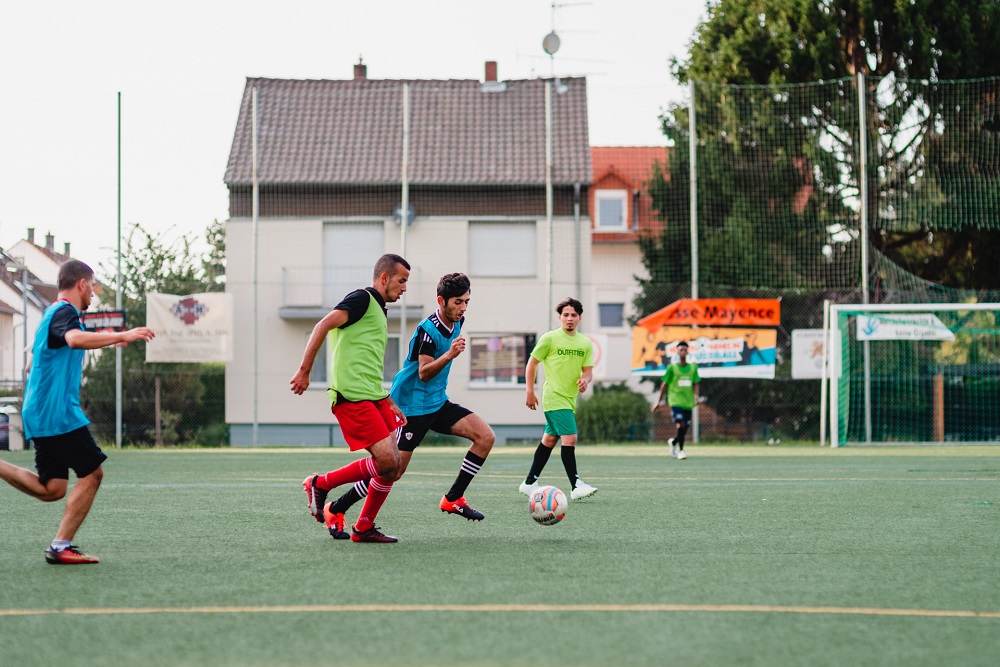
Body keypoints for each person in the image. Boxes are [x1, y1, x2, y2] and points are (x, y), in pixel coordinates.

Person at [0, 259, 155, 564]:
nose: (94, 294)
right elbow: (73, 339)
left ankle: (59, 546)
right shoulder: (65, 313)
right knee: (92, 473)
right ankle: (60, 547)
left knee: (53, 488)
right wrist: (121, 335)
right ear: (81, 284)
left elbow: (34, 359)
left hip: (41, 411)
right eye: (93, 287)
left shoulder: (50, 314)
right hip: (56, 413)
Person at [320, 273, 496, 539]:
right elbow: (424, 372)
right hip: (411, 408)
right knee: (392, 471)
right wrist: (450, 354)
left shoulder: (458, 321)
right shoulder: (427, 330)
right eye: (458, 302)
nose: (463, 308)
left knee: (485, 437)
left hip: (437, 402)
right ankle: (338, 508)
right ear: (441, 301)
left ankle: (454, 498)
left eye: (467, 302)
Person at [290, 253, 410, 543]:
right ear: (385, 278)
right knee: (386, 463)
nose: (405, 288)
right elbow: (322, 325)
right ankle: (321, 484)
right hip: (353, 397)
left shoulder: (380, 311)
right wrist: (305, 371)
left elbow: (365, 361)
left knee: (394, 467)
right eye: (401, 280)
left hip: (374, 396)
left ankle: (363, 527)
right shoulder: (362, 299)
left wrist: (388, 399)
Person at [518, 297, 598, 500]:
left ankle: (529, 482)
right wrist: (529, 391)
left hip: (570, 399)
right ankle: (576, 485)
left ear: (580, 318)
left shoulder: (585, 343)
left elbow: (588, 372)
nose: (569, 319)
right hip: (553, 396)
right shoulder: (550, 338)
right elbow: (531, 363)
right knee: (570, 438)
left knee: (550, 439)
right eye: (565, 315)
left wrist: (585, 380)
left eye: (573, 315)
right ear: (560, 317)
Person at [652, 340, 701, 460]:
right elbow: (664, 385)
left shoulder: (692, 368)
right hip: (675, 401)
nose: (683, 352)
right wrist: (658, 402)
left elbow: (695, 383)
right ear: (677, 352)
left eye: (685, 349)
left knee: (685, 428)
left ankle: (673, 443)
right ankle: (682, 450)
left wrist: (696, 396)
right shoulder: (672, 368)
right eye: (681, 350)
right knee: (680, 424)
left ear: (687, 352)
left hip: (688, 402)